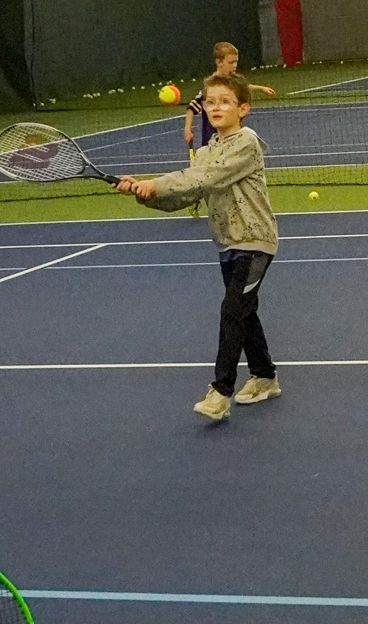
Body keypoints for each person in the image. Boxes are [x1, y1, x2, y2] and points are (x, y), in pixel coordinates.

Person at [120, 72, 281, 422]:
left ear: (243, 109)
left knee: (232, 310)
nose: (215, 107)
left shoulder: (245, 143)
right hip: (227, 243)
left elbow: (202, 178)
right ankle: (265, 376)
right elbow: (189, 193)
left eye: (225, 101)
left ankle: (220, 391)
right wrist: (145, 195)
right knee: (244, 310)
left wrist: (156, 182)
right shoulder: (208, 151)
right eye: (210, 101)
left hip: (255, 241)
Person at [183, 42, 276, 217]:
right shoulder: (209, 88)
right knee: (213, 177)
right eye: (231, 62)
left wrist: (261, 88)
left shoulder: (232, 81)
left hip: (231, 137)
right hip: (213, 139)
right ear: (219, 62)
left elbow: (242, 88)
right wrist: (188, 129)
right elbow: (191, 108)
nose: (234, 66)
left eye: (235, 62)